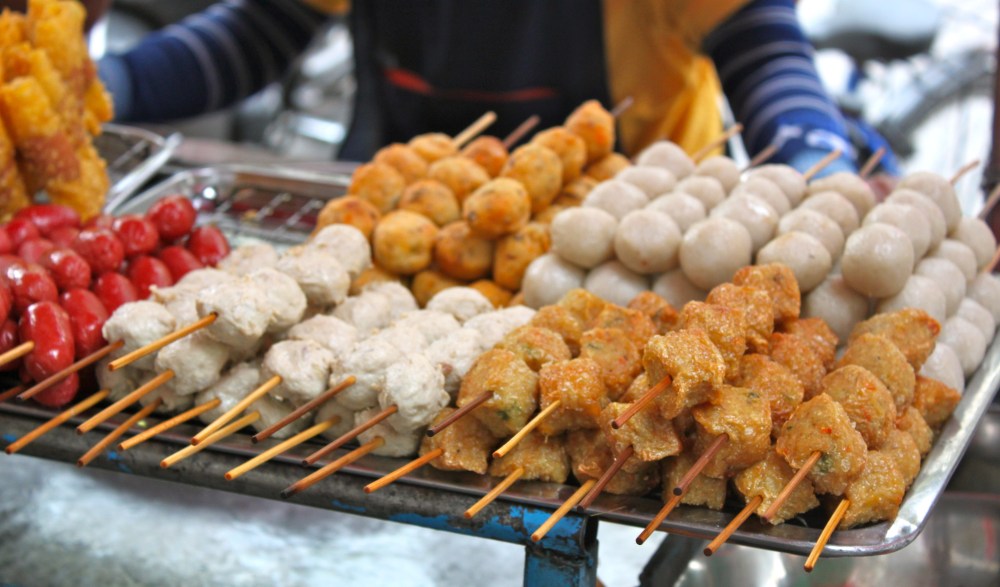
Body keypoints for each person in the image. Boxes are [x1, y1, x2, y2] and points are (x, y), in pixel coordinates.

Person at [97, 0, 882, 175]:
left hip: (634, 244)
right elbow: (265, 26)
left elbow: (762, 49)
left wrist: (821, 161)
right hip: (403, 213)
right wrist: (110, 86)